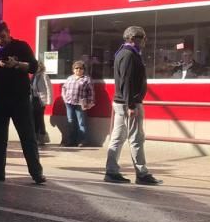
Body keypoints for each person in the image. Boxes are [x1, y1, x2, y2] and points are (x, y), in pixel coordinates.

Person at [0, 22, 45, 184]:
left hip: (20, 99)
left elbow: (33, 67)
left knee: (27, 137)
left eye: (2, 37)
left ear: (9, 34)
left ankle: (36, 173)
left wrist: (16, 64)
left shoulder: (21, 46)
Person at [105, 26, 162, 185]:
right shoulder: (129, 54)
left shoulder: (123, 53)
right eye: (142, 37)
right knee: (136, 138)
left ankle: (111, 171)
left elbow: (125, 81)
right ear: (132, 38)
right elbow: (127, 81)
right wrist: (131, 105)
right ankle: (142, 173)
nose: (145, 40)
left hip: (121, 102)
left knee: (118, 137)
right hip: (128, 103)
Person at [60, 60, 94, 147]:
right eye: (76, 68)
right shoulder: (69, 78)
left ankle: (82, 141)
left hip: (80, 104)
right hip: (69, 103)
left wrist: (89, 102)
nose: (78, 70)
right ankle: (71, 141)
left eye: (80, 68)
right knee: (70, 122)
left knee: (81, 123)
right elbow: (64, 88)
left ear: (83, 70)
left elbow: (91, 92)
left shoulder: (86, 79)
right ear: (73, 70)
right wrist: (64, 98)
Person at [31, 61, 53, 146]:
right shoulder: (33, 76)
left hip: (41, 100)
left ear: (41, 67)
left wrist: (48, 101)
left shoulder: (44, 75)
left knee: (40, 119)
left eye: (38, 66)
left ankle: (42, 138)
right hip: (33, 99)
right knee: (33, 119)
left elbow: (49, 88)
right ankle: (35, 137)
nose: (37, 68)